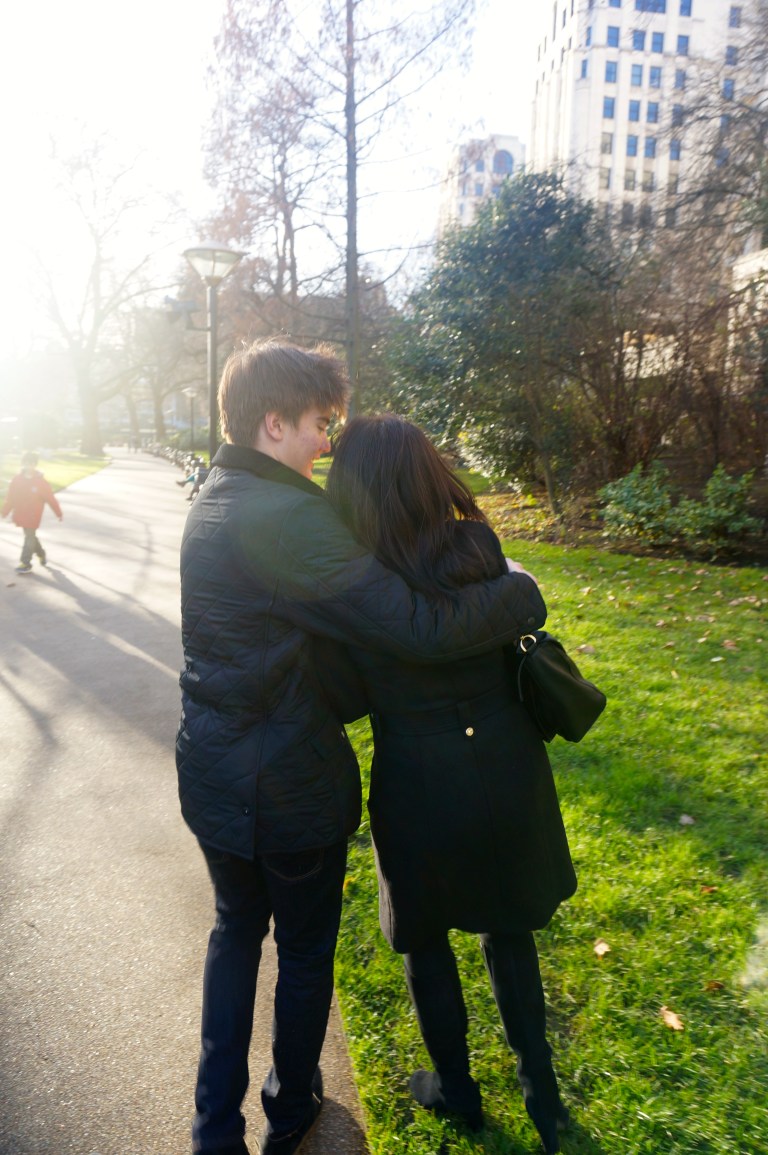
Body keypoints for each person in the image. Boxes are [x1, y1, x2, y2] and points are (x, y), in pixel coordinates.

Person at [176, 338, 547, 1155]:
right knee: (304, 949)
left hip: (211, 768)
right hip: (286, 787)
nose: (327, 441)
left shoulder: (216, 492)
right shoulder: (289, 517)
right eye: (318, 423)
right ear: (274, 421)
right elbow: (415, 625)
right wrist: (521, 590)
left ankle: (212, 1130)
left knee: (236, 934)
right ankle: (291, 1108)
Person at [322, 414, 577, 1155]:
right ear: (426, 470)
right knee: (509, 929)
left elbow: (345, 699)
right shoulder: (480, 545)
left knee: (426, 942)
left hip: (419, 775)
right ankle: (545, 1099)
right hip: (505, 764)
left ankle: (457, 1090)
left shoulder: (355, 580)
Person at [1, 451, 63, 573]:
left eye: (32, 463)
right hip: (20, 513)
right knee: (30, 536)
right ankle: (41, 553)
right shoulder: (17, 480)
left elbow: (50, 498)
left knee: (29, 536)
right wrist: (5, 511)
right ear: (23, 464)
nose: (29, 466)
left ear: (35, 465)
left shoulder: (41, 482)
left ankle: (25, 562)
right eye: (26, 463)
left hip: (34, 514)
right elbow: (11, 497)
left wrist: (58, 513)